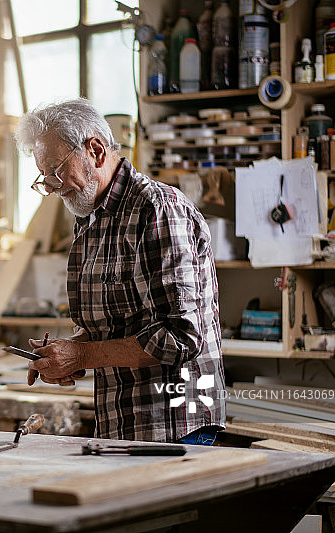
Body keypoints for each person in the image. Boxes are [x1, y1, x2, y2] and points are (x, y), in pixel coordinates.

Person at [14, 98, 226, 444]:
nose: (50, 187)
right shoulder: (89, 218)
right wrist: (64, 354)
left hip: (174, 424)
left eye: (55, 171)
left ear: (96, 151)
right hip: (122, 422)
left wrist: (82, 355)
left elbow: (181, 336)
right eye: (44, 177)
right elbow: (116, 328)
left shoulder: (157, 210)